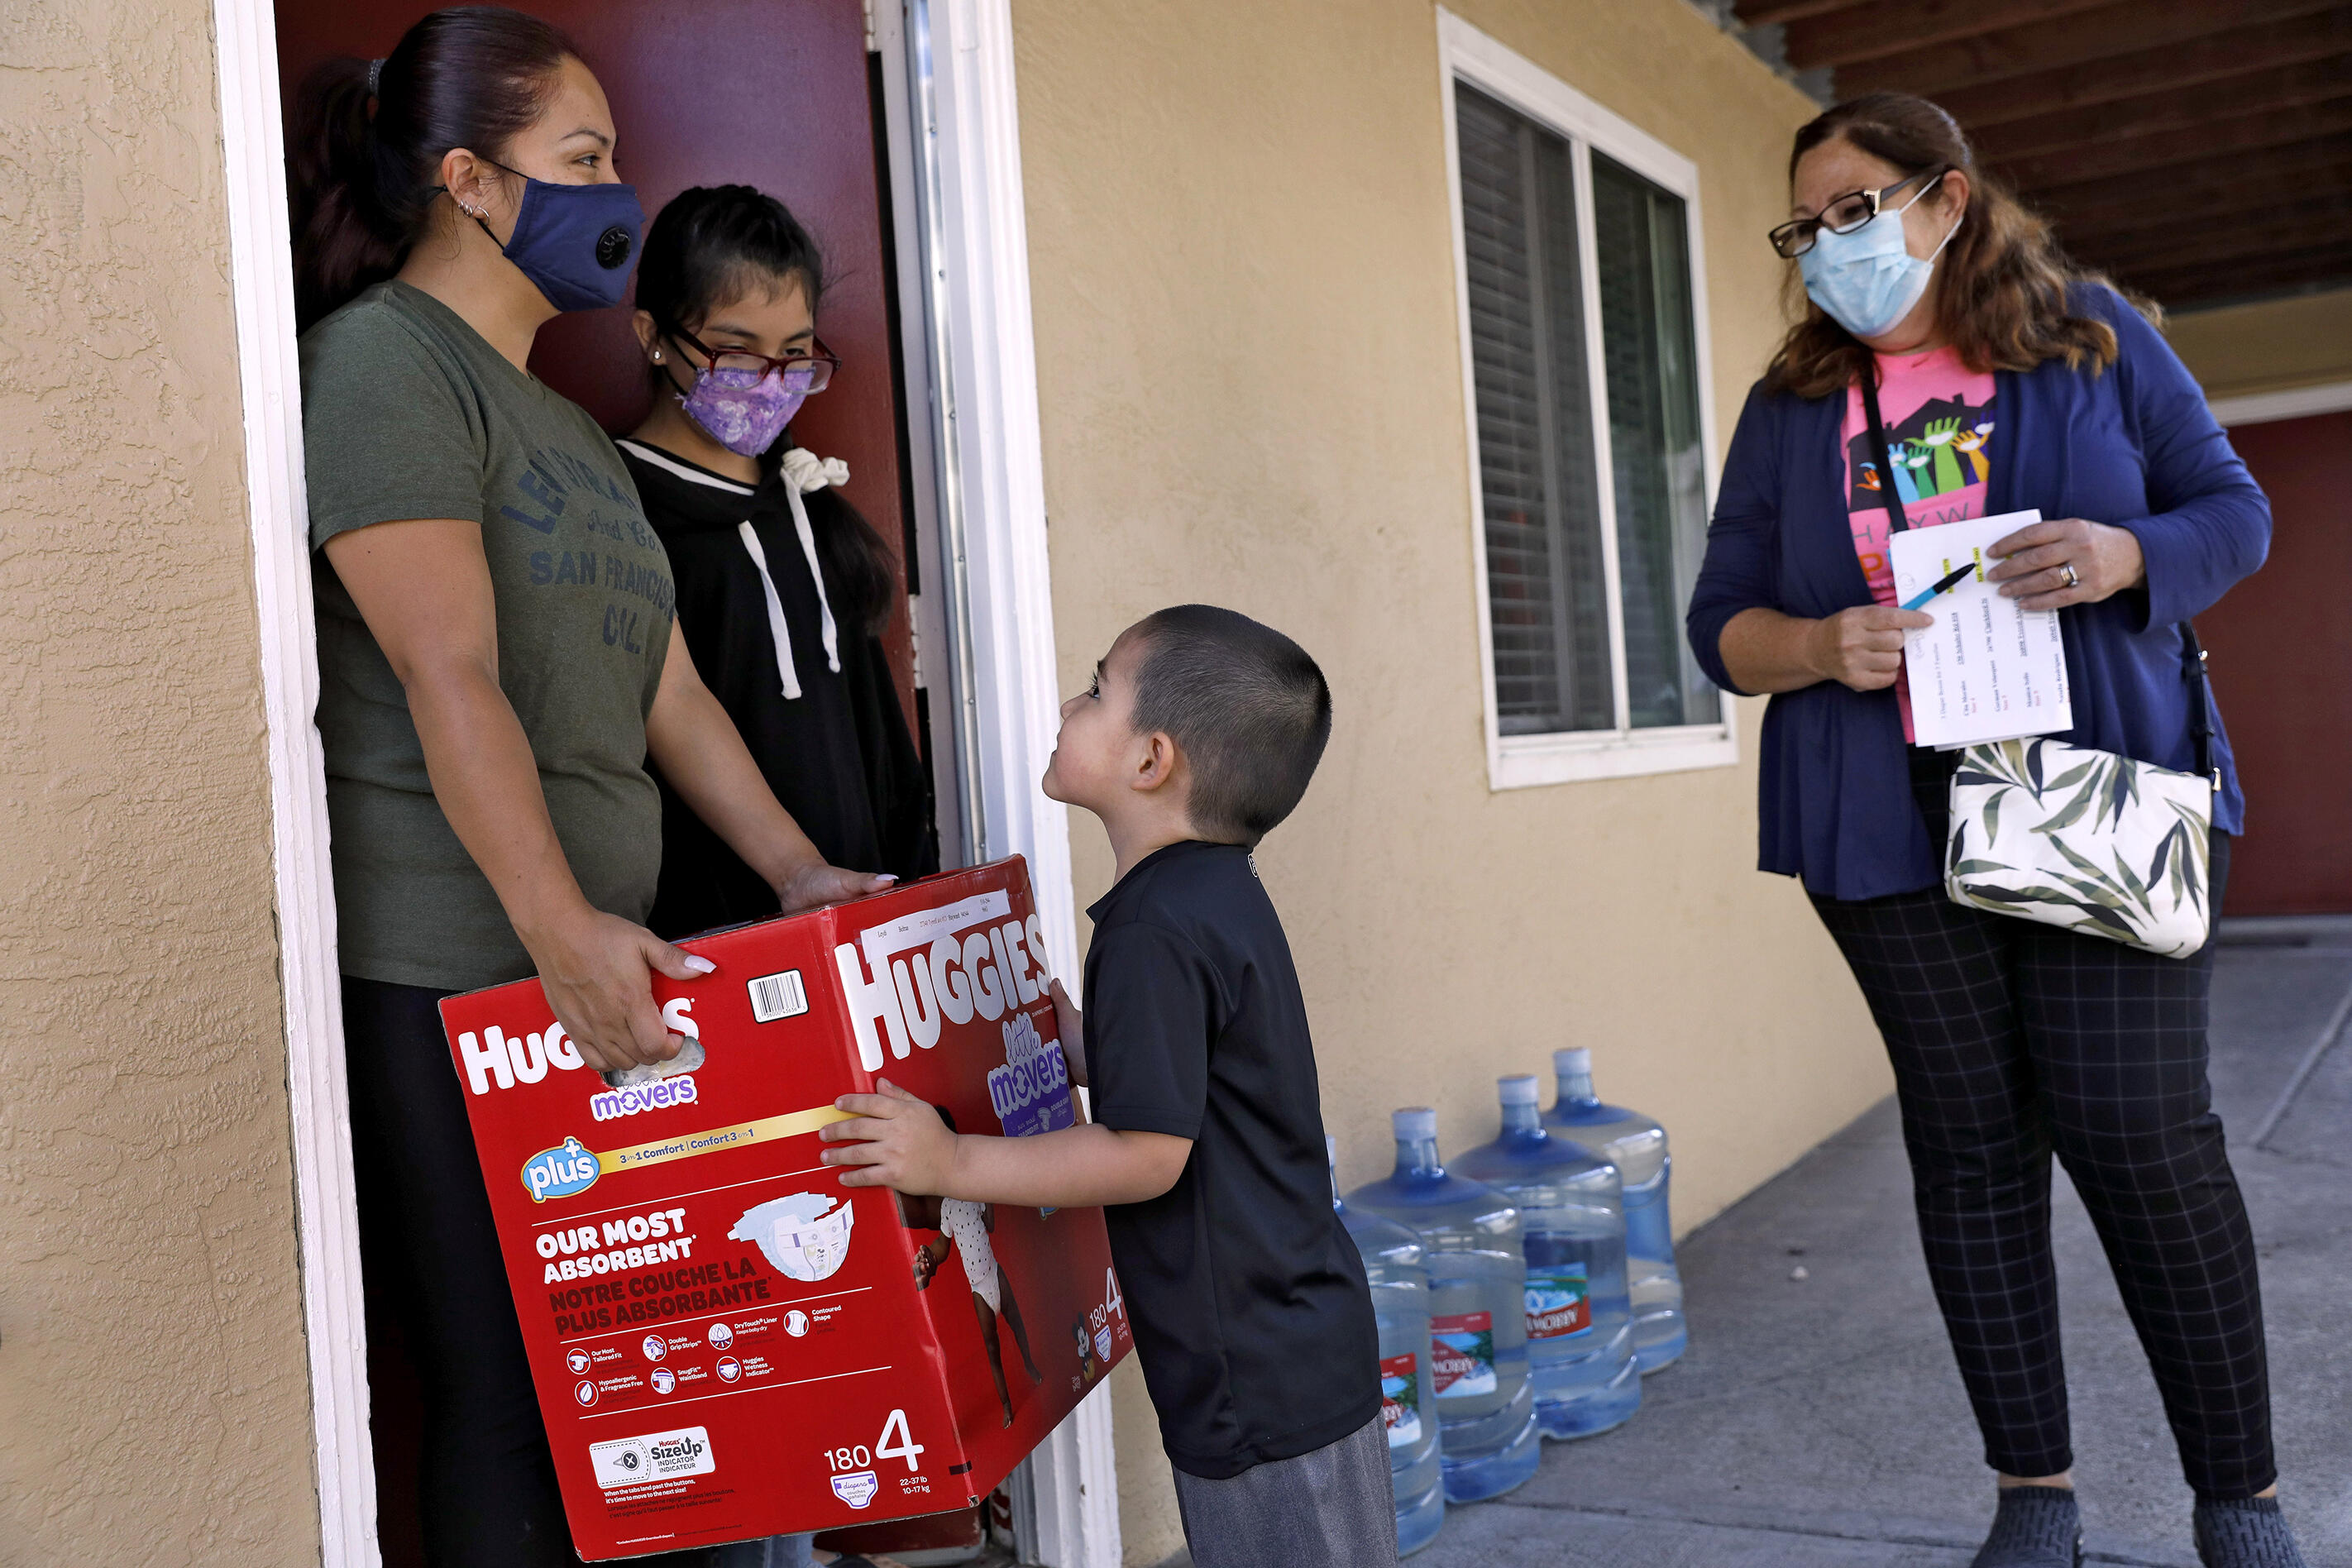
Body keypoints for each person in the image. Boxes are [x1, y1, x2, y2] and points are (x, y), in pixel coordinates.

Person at [289, 11, 887, 1564]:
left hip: (583, 969)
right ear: (471, 181)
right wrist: (558, 928)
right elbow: (445, 674)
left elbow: (665, 684)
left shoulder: (560, 421)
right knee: (505, 1397)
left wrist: (798, 869)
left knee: (622, 1391)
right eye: (586, 157)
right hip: (462, 974)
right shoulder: (380, 368)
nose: (618, 189)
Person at [1685, 93, 2302, 1568]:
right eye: (1805, 224)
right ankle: (2032, 1493)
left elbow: (2232, 511)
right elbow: (1719, 626)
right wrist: (1817, 643)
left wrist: (2118, 554)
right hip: (1877, 819)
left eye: (1853, 210)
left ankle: (2238, 1498)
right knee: (1965, 1149)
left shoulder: (2084, 337)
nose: (1826, 245)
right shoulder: (1788, 405)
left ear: (1944, 199)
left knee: (2141, 1136)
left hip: (2081, 795)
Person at [816, 606, 1393, 1568]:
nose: (1067, 703)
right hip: (1293, 1341)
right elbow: (1183, 1079)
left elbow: (1147, 1154)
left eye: (1095, 689)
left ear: (1151, 760)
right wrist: (1063, 1026)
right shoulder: (1208, 894)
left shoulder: (1152, 933)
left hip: (1254, 1370)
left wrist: (950, 1159)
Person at [616, 185, 937, 938]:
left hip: (859, 917)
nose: (769, 378)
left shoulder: (809, 501)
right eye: (736, 349)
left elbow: (877, 737)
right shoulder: (622, 504)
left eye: (794, 353)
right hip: (712, 936)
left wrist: (914, 888)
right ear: (652, 335)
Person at [899, 1109, 1042, 1427]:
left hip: (994, 1272)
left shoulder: (970, 1190)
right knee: (992, 1347)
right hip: (978, 1285)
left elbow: (988, 1223)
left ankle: (1030, 1365)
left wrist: (986, 1192)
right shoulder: (946, 1206)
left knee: (1017, 1323)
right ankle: (1006, 1404)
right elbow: (942, 1245)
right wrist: (930, 1260)